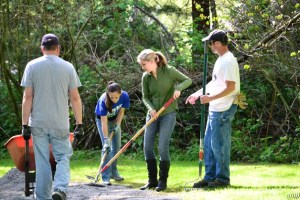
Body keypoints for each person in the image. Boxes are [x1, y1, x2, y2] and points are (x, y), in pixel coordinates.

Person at [21, 33, 83, 200]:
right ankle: (60, 189)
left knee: (42, 161)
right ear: (58, 49)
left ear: (42, 49)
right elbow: (75, 98)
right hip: (60, 122)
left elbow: (27, 97)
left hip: (38, 122)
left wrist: (24, 125)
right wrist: (79, 123)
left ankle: (42, 197)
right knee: (63, 156)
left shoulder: (31, 66)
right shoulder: (68, 67)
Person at [185, 29, 240, 188]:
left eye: (210, 43)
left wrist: (210, 99)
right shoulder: (220, 60)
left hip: (224, 109)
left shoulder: (229, 60)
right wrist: (197, 94)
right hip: (215, 109)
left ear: (217, 43)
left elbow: (231, 88)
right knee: (209, 144)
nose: (209, 47)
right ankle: (209, 177)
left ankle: (222, 179)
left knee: (219, 145)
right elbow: (214, 83)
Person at [137, 49, 192, 192]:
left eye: (144, 64)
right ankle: (152, 181)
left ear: (152, 61)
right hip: (153, 115)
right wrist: (151, 109)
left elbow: (188, 80)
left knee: (162, 147)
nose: (142, 67)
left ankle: (162, 181)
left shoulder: (169, 71)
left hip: (168, 114)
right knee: (147, 147)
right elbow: (145, 97)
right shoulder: (145, 77)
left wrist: (178, 88)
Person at [95, 81, 130, 185]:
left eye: (116, 97)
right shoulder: (103, 100)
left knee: (117, 147)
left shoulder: (124, 96)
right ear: (108, 94)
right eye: (112, 97)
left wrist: (118, 124)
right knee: (107, 148)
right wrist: (106, 139)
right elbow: (104, 122)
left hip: (115, 120)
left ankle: (114, 172)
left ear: (120, 94)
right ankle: (105, 176)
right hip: (103, 121)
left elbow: (121, 111)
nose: (114, 99)